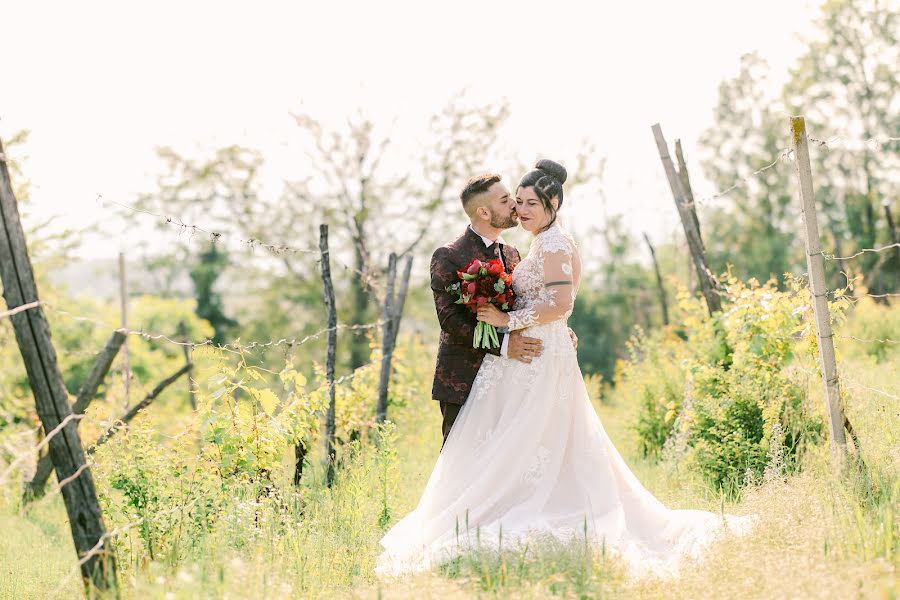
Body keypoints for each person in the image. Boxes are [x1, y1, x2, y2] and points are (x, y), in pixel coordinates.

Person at [378, 160, 755, 577]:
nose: (516, 208)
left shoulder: (518, 251)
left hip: (526, 368)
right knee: (466, 463)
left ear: (550, 204)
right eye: (510, 201)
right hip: (467, 376)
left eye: (523, 201)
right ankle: (454, 530)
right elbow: (452, 320)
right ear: (484, 211)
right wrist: (507, 340)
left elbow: (547, 302)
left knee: (530, 450)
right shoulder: (449, 255)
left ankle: (507, 527)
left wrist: (554, 330)